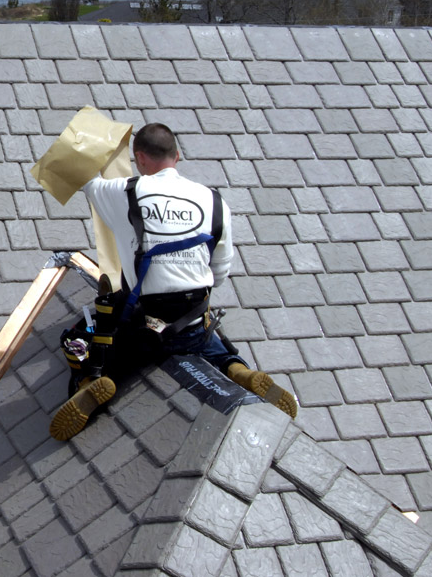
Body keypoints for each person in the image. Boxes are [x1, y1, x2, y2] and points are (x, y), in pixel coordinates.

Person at [50, 122, 297, 441]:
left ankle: (92, 380)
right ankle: (238, 370)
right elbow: (219, 273)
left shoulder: (122, 192)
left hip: (144, 326)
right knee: (209, 339)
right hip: (191, 322)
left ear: (139, 158)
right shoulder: (215, 202)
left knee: (82, 338)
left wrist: (100, 131)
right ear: (177, 156)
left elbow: (71, 169)